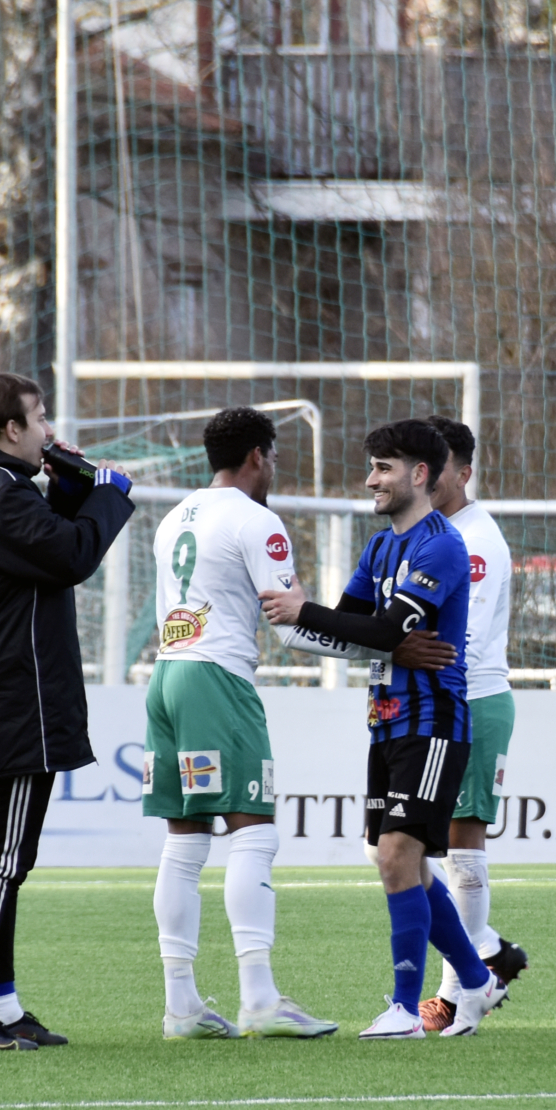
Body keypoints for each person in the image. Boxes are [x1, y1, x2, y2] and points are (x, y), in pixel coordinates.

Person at [261, 420, 506, 1039]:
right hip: (386, 721)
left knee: (398, 856)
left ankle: (403, 1006)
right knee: (405, 864)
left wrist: (324, 617)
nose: (371, 479)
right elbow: (353, 627)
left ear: (419, 474)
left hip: (433, 722)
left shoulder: (442, 545)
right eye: (371, 467)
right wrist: (370, 636)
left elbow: (389, 624)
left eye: (384, 468)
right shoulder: (378, 548)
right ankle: (477, 980)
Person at [0, 371, 133, 1051]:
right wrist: (107, 495)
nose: (48, 430)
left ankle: (2, 1004)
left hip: (3, 687)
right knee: (3, 854)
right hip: (6, 692)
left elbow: (48, 540)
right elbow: (72, 552)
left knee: (11, 853)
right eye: (39, 419)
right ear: (10, 429)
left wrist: (72, 485)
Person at [141, 407, 354, 1040]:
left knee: (184, 842)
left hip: (167, 678)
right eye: (276, 458)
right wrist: (378, 647)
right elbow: (289, 626)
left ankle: (181, 1005)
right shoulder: (258, 521)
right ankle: (260, 997)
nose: (275, 471)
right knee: (253, 832)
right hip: (217, 680)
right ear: (258, 455)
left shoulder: (175, 516)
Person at [415, 414, 531, 1031]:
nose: (427, 481)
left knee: (460, 844)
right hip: (434, 699)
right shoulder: (431, 533)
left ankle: (461, 991)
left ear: (464, 472)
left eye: (439, 470)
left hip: (471, 700)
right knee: (408, 846)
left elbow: (463, 640)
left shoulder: (474, 541)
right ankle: (487, 955)